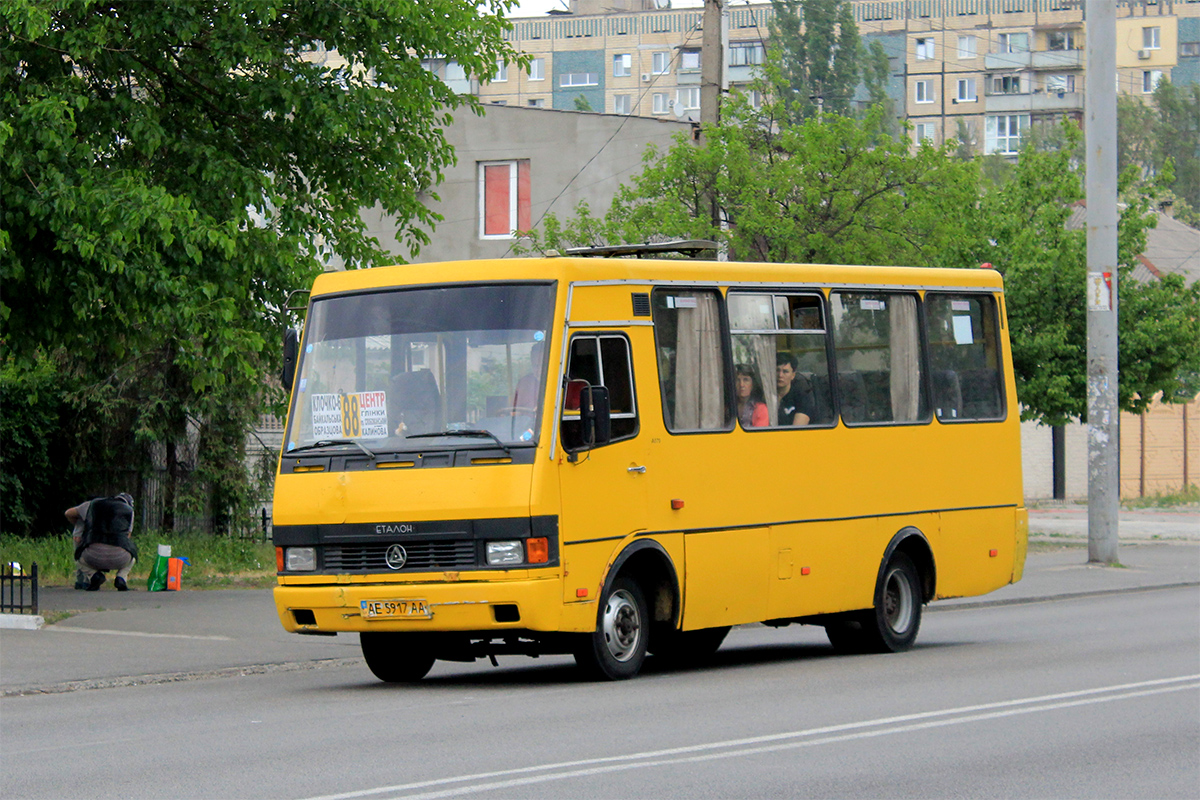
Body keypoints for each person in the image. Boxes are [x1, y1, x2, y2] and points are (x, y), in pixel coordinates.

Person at [65, 493, 138, 591]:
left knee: (78, 557)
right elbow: (127, 537)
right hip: (120, 558)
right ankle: (121, 578)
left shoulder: (91, 505)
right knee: (133, 556)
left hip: (93, 555)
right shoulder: (130, 511)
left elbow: (68, 513)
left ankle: (94, 575)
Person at [776, 353, 815, 426]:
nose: (780, 375)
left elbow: (797, 430)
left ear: (793, 375)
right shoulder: (763, 396)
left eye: (785, 371)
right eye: (777, 370)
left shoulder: (802, 397)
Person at [735, 364, 769, 428]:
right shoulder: (729, 407)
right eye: (737, 380)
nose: (741, 385)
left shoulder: (760, 408)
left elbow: (759, 434)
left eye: (746, 380)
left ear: (753, 384)